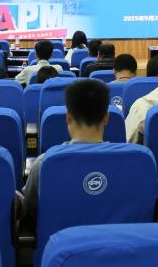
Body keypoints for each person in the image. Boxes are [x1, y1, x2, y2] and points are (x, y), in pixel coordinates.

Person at [22, 79, 109, 222]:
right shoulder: (131, 162)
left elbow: (29, 213)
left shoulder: (44, 164)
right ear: (106, 118)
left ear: (68, 117)